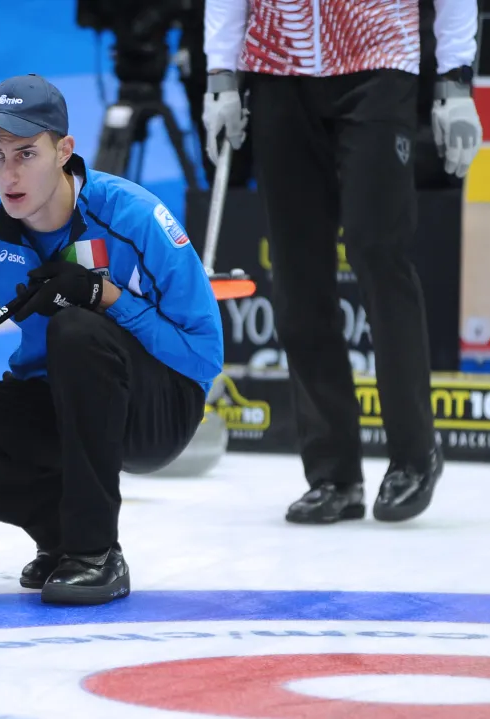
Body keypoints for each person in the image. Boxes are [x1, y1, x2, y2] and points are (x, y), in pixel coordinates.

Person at [0, 74, 224, 606]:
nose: (10, 173)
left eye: (26, 153)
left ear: (64, 150)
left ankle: (96, 554)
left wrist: (108, 299)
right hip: (56, 398)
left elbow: (203, 355)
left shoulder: (134, 218)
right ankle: (62, 535)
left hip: (157, 410)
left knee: (77, 329)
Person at [202, 0, 483, 524]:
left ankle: (414, 454)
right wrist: (221, 72)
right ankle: (333, 474)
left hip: (379, 59)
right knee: (296, 269)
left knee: (378, 251)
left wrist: (455, 80)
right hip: (276, 64)